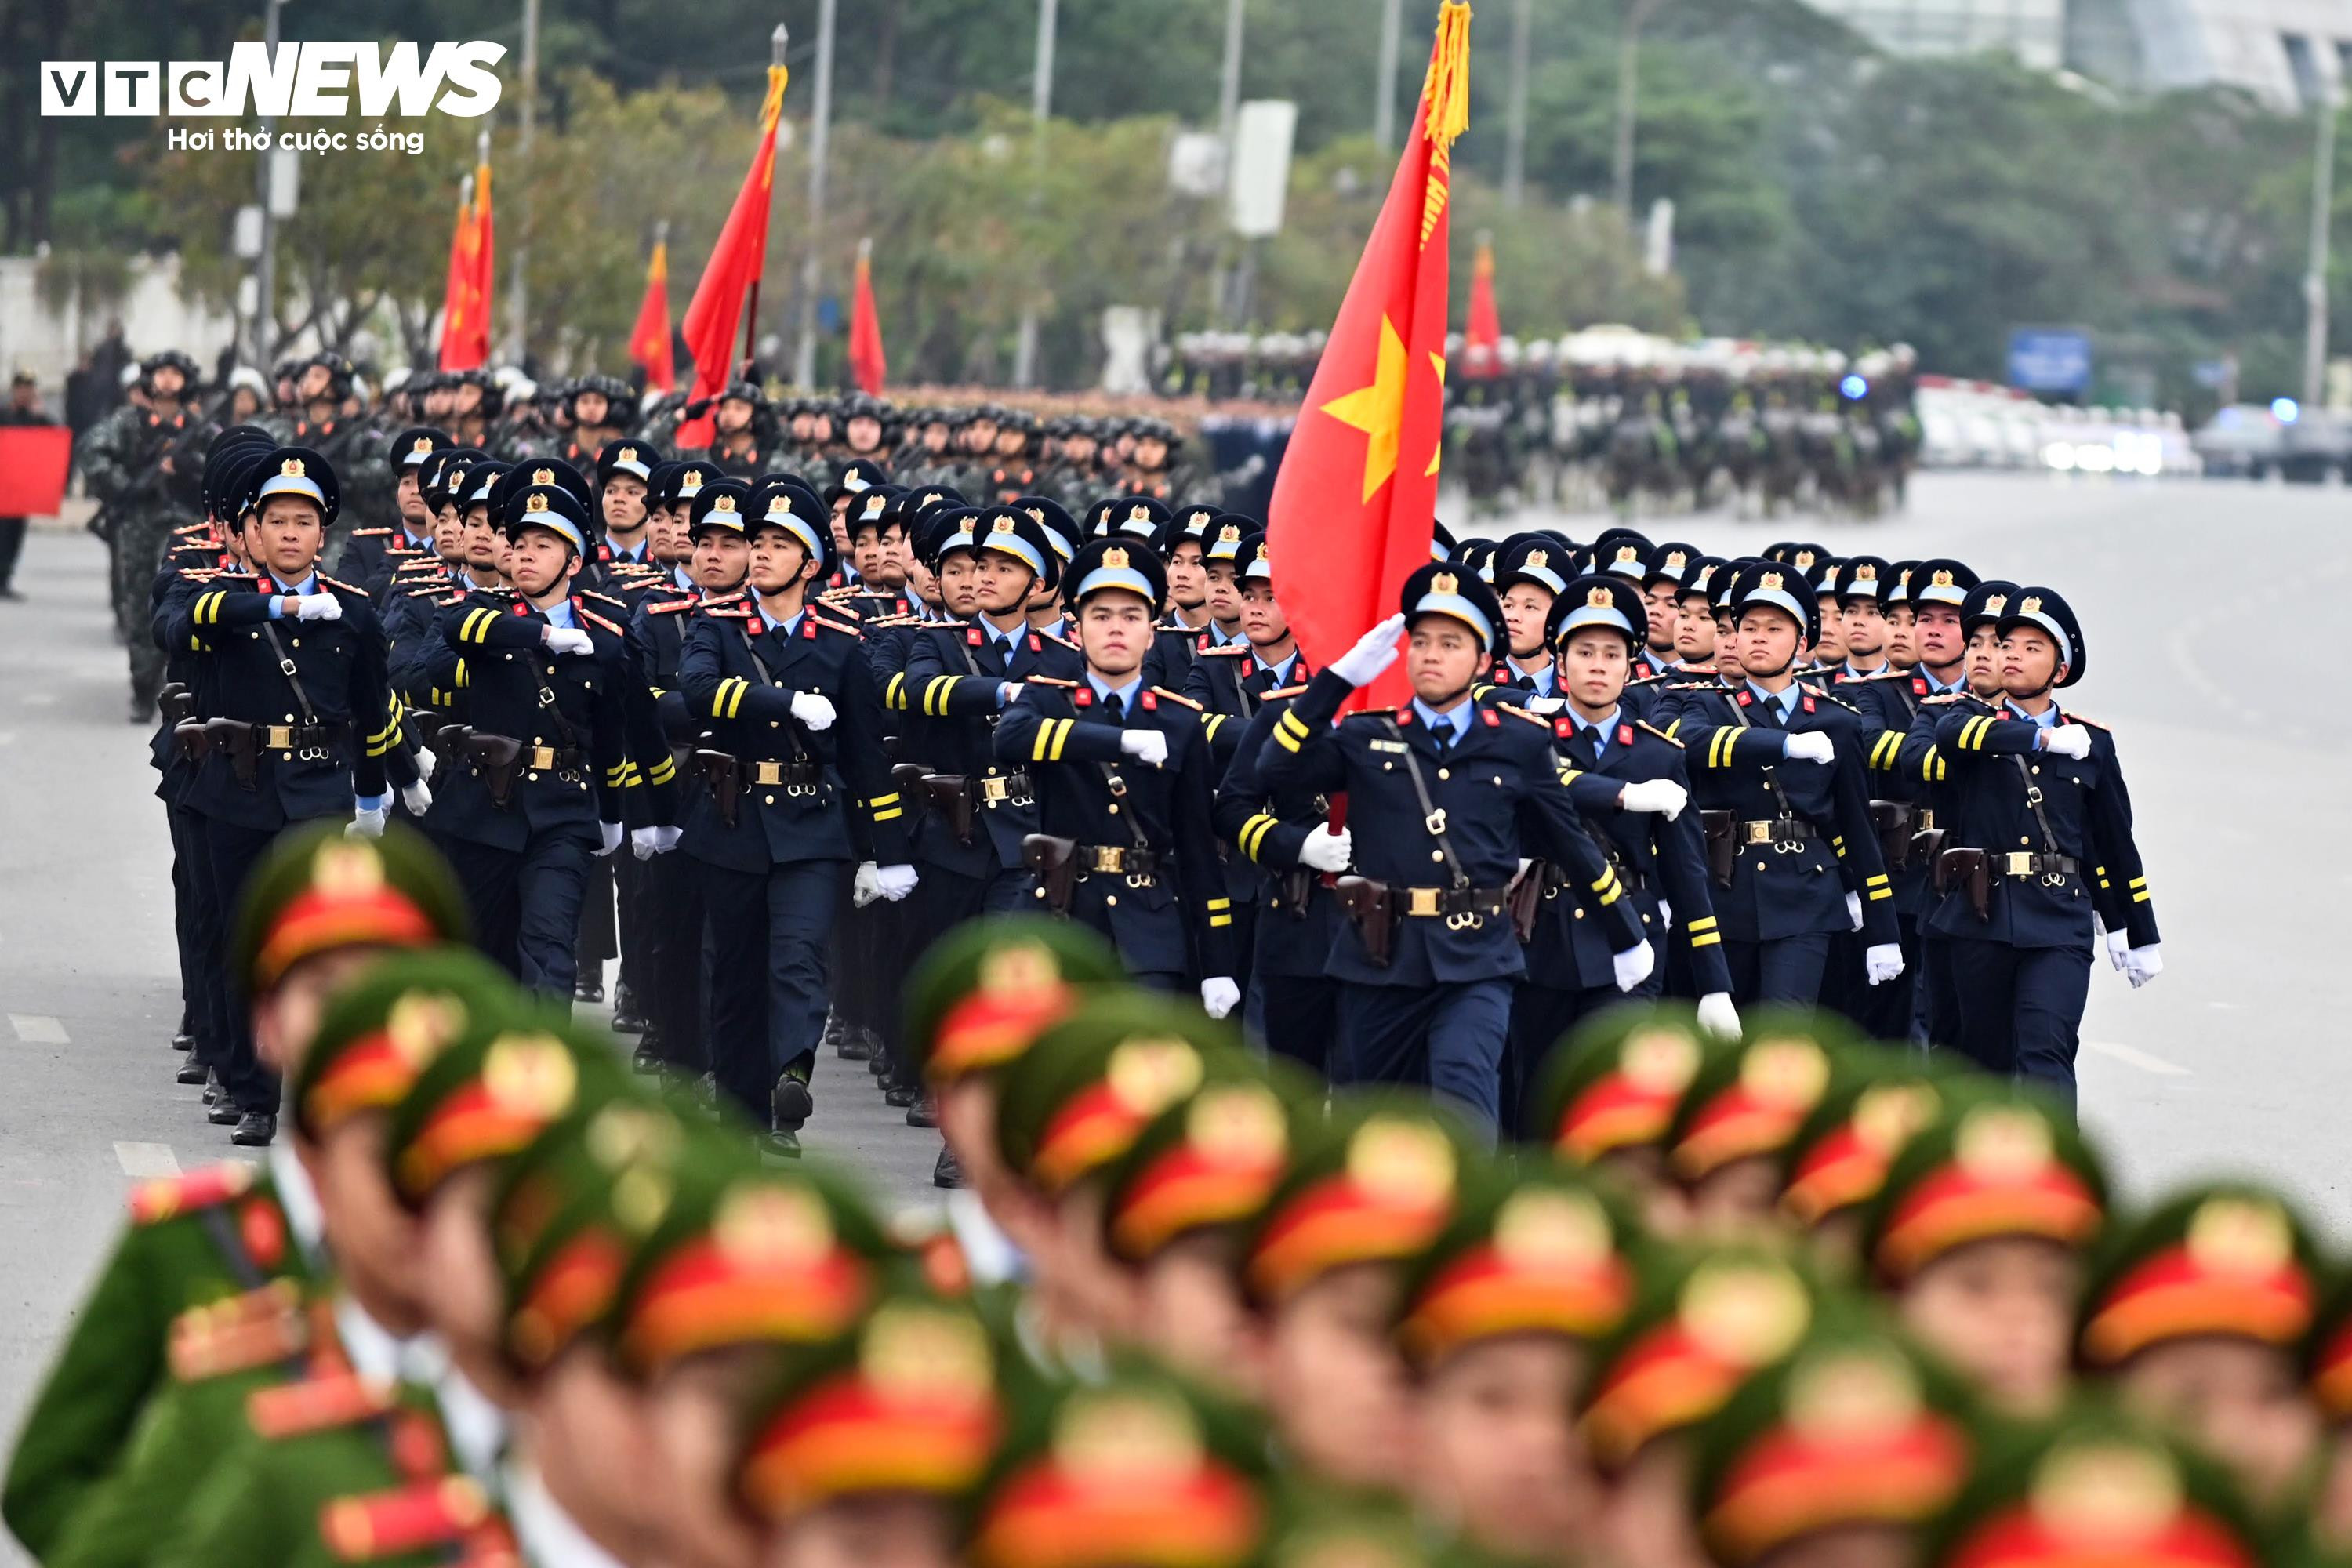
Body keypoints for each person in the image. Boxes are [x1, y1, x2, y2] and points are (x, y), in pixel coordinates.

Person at [0, 822, 467, 1557]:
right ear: (267, 1025)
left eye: (390, 986)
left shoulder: (495, 1242)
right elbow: (47, 1481)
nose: (358, 1020)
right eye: (322, 990)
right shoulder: (186, 1245)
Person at [1254, 565, 1660, 1139]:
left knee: (1464, 1100)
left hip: (1478, 958)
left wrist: (1626, 934)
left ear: (1482, 656)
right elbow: (1276, 766)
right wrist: (1337, 682)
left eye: (1451, 643)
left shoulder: (1518, 742)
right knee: (1376, 1120)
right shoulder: (1369, 737)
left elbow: (1569, 840)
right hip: (1380, 956)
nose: (1431, 656)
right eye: (1421, 642)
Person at [166, 449, 423, 1142]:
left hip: (315, 792)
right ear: (253, 529)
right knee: (240, 934)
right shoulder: (220, 600)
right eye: (274, 520)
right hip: (234, 789)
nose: (288, 534)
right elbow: (179, 627)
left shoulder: (353, 615)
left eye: (302, 522)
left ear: (322, 534)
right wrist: (276, 604)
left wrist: (372, 801)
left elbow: (372, 713)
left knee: (306, 946)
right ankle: (253, 1091)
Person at [675, 476, 916, 1154]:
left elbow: (868, 756)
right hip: (733, 820)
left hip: (813, 823)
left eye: (780, 544)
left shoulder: (843, 642)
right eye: (758, 542)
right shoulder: (716, 624)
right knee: (737, 969)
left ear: (810, 562)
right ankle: (741, 1108)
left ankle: (793, 1072)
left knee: (800, 955)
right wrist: (781, 706)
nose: (762, 554)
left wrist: (887, 850)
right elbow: (694, 692)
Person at [1923, 587, 2160, 1112]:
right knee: (1983, 1061)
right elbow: (1956, 736)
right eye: (2007, 644)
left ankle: (2053, 1182)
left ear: (2060, 668)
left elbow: (2113, 842)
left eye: (2032, 647)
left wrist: (2134, 928)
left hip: (2058, 919)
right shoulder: (1966, 721)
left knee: (2046, 1052)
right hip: (1979, 918)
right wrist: (2042, 742)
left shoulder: (2092, 742)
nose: (2012, 655)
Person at [994, 538, 1240, 1012]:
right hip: (1059, 914)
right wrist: (1118, 742)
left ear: (1151, 633)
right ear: (1079, 630)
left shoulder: (1180, 722)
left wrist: (1218, 964)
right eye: (1100, 616)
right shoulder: (1047, 700)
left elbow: (1198, 854)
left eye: (1131, 617)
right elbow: (1009, 740)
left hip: (1147, 925)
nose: (1115, 629)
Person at [1653, 562, 1904, 1007]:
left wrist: (1882, 928)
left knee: (1783, 1040)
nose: (1758, 637)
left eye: (1774, 627)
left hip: (1805, 894)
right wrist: (1784, 745)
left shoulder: (1837, 721)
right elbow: (1688, 745)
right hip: (1723, 894)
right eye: (1748, 627)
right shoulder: (1705, 707)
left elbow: (1857, 827)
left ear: (1802, 642)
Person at [80, 350, 213, 720]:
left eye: (175, 373)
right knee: (140, 602)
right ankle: (142, 687)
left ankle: (181, 688)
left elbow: (225, 469)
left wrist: (190, 467)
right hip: (139, 524)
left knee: (185, 605)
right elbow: (92, 453)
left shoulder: (201, 429)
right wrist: (127, 484)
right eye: (160, 373)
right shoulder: (127, 423)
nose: (168, 380)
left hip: (187, 526)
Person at [0, 371, 56, 600]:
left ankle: (5, 579)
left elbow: (57, 442)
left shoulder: (37, 418)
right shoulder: (3, 415)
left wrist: (42, 417)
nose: (25, 393)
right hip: (3, 487)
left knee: (14, 536)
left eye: (29, 388)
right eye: (21, 388)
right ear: (14, 390)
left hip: (22, 490)